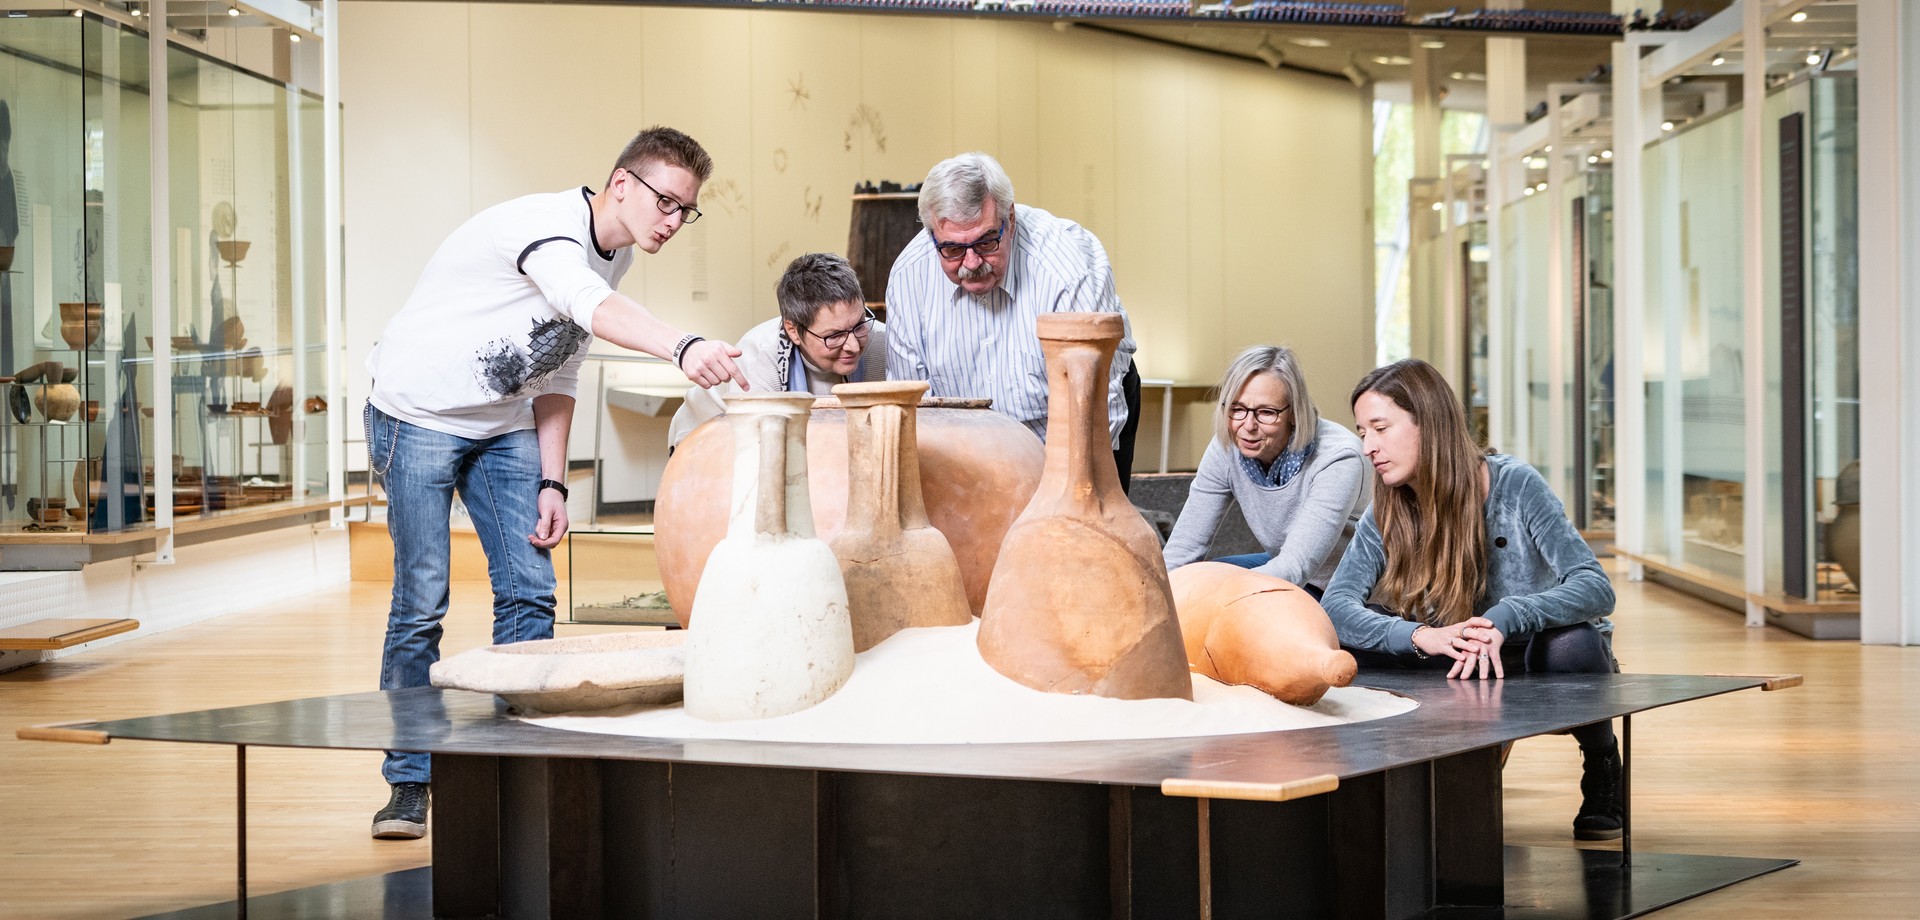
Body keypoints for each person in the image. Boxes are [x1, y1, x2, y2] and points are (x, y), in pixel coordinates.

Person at [362, 126, 745, 841]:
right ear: (621, 184)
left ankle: (516, 769)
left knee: (531, 589)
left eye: (684, 211)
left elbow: (560, 365)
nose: (671, 220)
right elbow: (584, 304)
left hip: (502, 421)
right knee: (420, 601)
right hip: (416, 414)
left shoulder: (617, 253)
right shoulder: (549, 231)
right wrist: (684, 345)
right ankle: (409, 782)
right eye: (665, 201)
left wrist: (553, 482)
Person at [1321, 358, 1624, 841]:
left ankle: (1603, 761)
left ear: (1430, 423)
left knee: (1574, 644)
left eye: (1380, 428)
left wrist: (1508, 615)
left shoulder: (1516, 484)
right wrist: (1422, 636)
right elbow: (1335, 607)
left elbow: (1594, 585)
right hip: (1453, 655)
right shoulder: (1389, 507)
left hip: (1527, 651)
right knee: (1347, 649)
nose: (1368, 447)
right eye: (1362, 431)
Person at [884, 152, 1143, 491]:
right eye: (952, 250)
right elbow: (913, 413)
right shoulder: (908, 277)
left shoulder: (1068, 266)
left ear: (1011, 217)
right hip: (968, 452)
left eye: (987, 242)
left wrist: (1044, 501)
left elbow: (1092, 414)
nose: (972, 262)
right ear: (932, 232)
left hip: (1070, 431)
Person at [1161, 346, 1369, 599]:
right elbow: (1183, 549)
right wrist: (1154, 597)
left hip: (1345, 587)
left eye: (1266, 412)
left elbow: (1295, 566)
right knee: (1196, 578)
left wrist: (1215, 597)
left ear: (1294, 412)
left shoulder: (1338, 456)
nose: (1248, 426)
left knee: (1227, 604)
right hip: (1285, 567)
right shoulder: (1226, 446)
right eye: (1237, 409)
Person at [667, 252, 887, 447]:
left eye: (859, 325)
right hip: (709, 437)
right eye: (834, 336)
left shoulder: (881, 341)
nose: (853, 345)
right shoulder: (761, 359)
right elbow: (754, 451)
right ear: (793, 330)